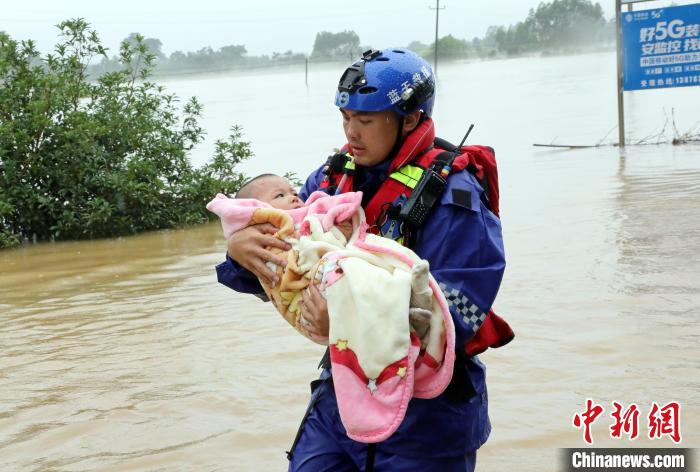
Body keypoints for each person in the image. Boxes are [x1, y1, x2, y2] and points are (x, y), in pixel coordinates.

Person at [216, 48, 511, 471]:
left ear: (410, 119)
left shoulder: (453, 194)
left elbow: (460, 311)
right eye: (346, 118)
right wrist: (241, 254)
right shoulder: (331, 179)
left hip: (428, 416)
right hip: (341, 393)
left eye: (366, 121)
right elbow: (293, 261)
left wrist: (348, 318)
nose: (351, 132)